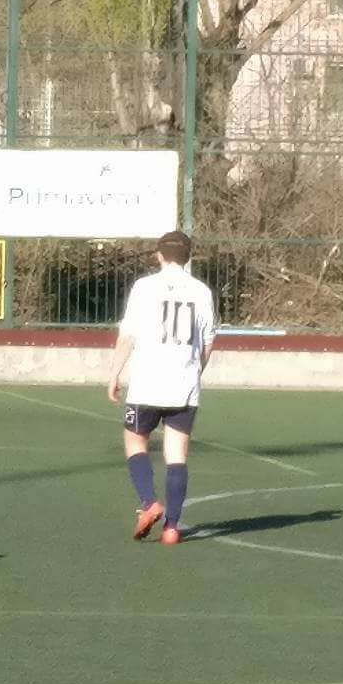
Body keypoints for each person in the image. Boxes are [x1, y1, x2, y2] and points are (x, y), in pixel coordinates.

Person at [106, 230, 218, 545]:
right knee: (176, 454)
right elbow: (208, 341)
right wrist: (196, 371)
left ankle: (148, 503)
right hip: (184, 384)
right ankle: (171, 527)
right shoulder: (201, 291)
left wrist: (114, 374)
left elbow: (128, 335)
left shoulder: (144, 288)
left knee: (135, 441)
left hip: (147, 383)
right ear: (189, 257)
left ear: (159, 256)